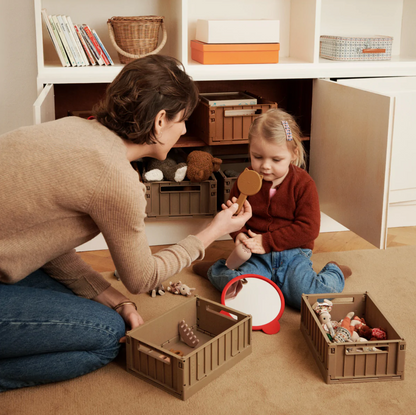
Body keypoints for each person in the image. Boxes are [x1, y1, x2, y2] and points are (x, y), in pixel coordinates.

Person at [0, 55, 252, 392]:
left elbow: (44, 247)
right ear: (160, 121)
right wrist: (212, 231)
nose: (186, 129)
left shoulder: (73, 126)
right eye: (184, 120)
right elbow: (142, 277)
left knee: (87, 304)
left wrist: (117, 300)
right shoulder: (115, 178)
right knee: (108, 335)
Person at [193, 108, 351, 309]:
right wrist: (239, 234)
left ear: (293, 154)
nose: (265, 166)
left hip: (293, 253)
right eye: (257, 157)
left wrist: (268, 241)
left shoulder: (304, 184)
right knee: (240, 293)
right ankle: (216, 270)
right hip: (255, 253)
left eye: (276, 160)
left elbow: (309, 229)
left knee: (314, 298)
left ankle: (334, 271)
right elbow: (234, 216)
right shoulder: (246, 180)